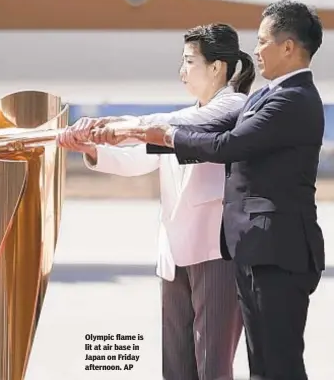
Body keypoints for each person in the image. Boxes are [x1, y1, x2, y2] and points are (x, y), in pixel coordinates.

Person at [91, 0, 324, 380]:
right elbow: (164, 146)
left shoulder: (286, 99)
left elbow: (227, 144)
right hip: (251, 248)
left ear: (288, 46)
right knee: (260, 365)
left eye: (263, 40)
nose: (256, 49)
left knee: (272, 364)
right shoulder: (269, 95)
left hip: (270, 251)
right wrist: (98, 147)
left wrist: (149, 132)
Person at [58, 23, 255, 380]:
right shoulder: (181, 117)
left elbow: (180, 126)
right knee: (176, 367)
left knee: (211, 366)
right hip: (175, 253)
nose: (181, 71)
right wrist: (93, 149)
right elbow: (141, 161)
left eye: (189, 62)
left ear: (216, 67)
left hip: (216, 255)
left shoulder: (233, 108)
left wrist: (120, 126)